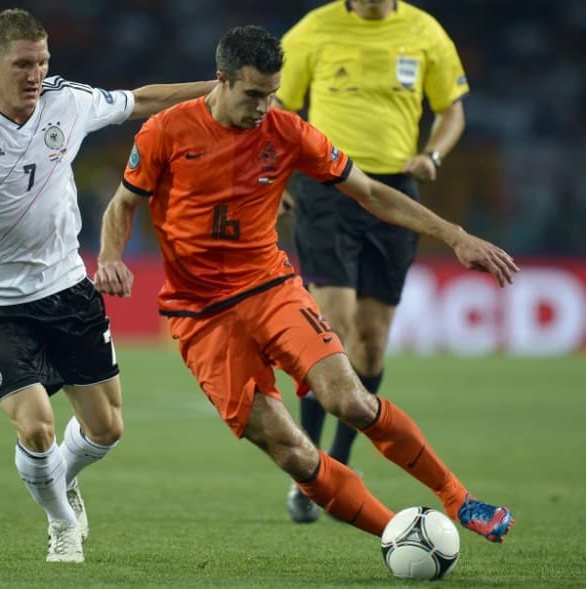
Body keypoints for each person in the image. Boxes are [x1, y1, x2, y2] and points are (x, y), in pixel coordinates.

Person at [95, 25, 516, 547]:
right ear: (221, 81)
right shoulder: (165, 131)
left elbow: (370, 193)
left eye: (272, 94)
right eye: (252, 94)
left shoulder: (287, 131)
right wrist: (111, 256)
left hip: (270, 288)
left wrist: (453, 235)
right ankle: (398, 535)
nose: (263, 107)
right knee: (292, 451)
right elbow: (123, 205)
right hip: (200, 316)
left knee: (352, 401)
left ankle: (459, 498)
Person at [0, 8, 214, 564]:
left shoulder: (67, 101)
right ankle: (61, 525)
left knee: (106, 429)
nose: (35, 74)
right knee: (36, 426)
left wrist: (216, 89)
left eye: (43, 62)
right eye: (23, 64)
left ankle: (63, 480)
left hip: (66, 290)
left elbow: (141, 101)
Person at [275, 0, 471, 523]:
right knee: (329, 330)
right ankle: (309, 470)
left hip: (395, 193)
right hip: (326, 190)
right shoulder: (314, 29)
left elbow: (452, 109)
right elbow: (275, 105)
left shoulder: (424, 31)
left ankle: (338, 462)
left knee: (371, 341)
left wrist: (433, 155)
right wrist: (277, 177)